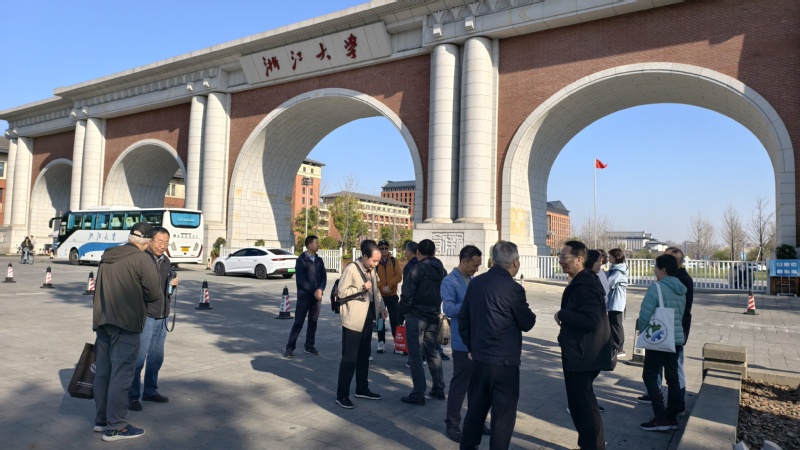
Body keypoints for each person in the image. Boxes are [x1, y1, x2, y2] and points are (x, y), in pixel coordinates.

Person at [459, 241, 536, 450]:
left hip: (480, 359)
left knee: (475, 410)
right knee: (503, 416)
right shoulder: (514, 289)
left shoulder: (476, 283)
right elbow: (527, 322)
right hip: (504, 363)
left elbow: (463, 319)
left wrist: (470, 347)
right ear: (515, 262)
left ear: (493, 260)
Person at [92, 223, 161, 441]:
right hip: (126, 323)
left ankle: (101, 420)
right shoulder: (142, 259)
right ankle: (116, 427)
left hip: (103, 321)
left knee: (103, 373)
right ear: (147, 242)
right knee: (121, 376)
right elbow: (154, 293)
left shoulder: (108, 255)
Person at [556, 241, 612, 450]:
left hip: (582, 355)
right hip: (582, 352)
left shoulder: (585, 285)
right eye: (560, 257)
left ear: (579, 259)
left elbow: (590, 320)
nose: (561, 261)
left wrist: (562, 314)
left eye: (564, 257)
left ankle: (593, 446)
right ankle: (589, 444)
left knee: (584, 406)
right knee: (580, 404)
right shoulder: (584, 281)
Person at [442, 245, 489, 443]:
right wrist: (472, 304)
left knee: (477, 386)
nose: (476, 269)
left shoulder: (472, 280)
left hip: (478, 341)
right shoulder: (449, 281)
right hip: (462, 342)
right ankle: (452, 424)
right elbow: (449, 309)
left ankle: (476, 420)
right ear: (463, 261)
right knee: (460, 384)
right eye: (474, 265)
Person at [128, 227, 179, 411]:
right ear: (150, 241)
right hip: (146, 316)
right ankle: (131, 395)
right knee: (139, 358)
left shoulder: (166, 261)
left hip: (163, 315)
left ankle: (150, 391)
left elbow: (166, 288)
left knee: (156, 357)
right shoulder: (143, 259)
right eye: (159, 241)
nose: (162, 246)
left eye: (166, 242)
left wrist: (173, 284)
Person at [638, 247, 693, 416]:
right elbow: (682, 313)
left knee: (649, 375)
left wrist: (643, 333)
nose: (654, 270)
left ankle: (660, 415)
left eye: (656, 267)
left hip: (658, 338)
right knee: (673, 377)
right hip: (675, 337)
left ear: (663, 269)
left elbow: (645, 315)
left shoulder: (656, 287)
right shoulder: (681, 288)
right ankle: (672, 414)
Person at [335, 239, 388, 409]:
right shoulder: (351, 269)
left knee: (364, 355)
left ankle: (362, 388)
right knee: (349, 358)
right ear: (365, 256)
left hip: (367, 317)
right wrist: (361, 288)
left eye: (378, 261)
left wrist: (382, 308)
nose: (376, 264)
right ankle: (342, 395)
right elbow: (341, 293)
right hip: (353, 319)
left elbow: (376, 291)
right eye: (374, 260)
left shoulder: (371, 269)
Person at [399, 239, 448, 406]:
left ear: (418, 252)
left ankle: (418, 393)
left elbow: (407, 296)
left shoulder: (415, 269)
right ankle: (438, 388)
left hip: (416, 316)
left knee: (415, 355)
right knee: (432, 352)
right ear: (434, 253)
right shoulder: (441, 270)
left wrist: (402, 313)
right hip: (433, 315)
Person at [284, 235, 327, 358]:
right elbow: (301, 281)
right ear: (309, 245)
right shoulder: (301, 260)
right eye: (315, 243)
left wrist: (320, 289)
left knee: (313, 322)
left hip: (317, 297)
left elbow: (323, 277)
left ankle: (309, 345)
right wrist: (315, 291)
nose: (317, 245)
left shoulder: (319, 260)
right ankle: (290, 348)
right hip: (304, 297)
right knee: (298, 323)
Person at [376, 240, 402, 354]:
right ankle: (381, 341)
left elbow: (399, 276)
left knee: (394, 320)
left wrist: (389, 286)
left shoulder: (394, 261)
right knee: (380, 320)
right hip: (380, 296)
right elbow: (374, 277)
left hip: (392, 295)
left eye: (386, 248)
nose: (384, 250)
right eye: (381, 248)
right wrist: (382, 287)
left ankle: (397, 342)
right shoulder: (376, 262)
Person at [606, 248, 628, 358]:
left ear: (615, 257)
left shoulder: (619, 270)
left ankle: (619, 348)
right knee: (613, 324)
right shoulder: (615, 268)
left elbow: (609, 283)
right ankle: (614, 346)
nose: (608, 258)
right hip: (614, 301)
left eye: (610, 256)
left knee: (616, 325)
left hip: (617, 301)